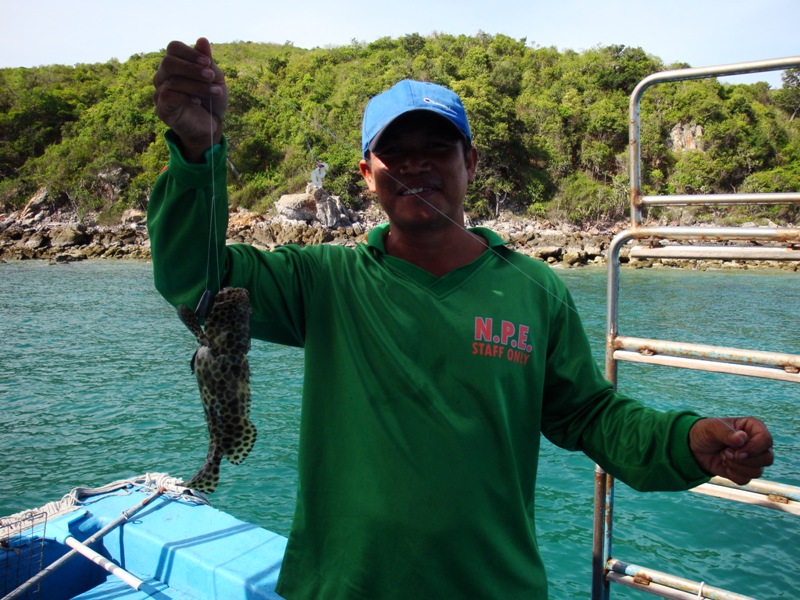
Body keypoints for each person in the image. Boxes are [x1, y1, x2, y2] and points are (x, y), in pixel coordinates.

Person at [149, 38, 775, 599]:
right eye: (395, 151)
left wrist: (686, 442)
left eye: (436, 148)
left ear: (470, 163)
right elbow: (194, 279)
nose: (417, 164)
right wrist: (198, 152)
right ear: (368, 176)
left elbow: (589, 414)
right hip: (339, 586)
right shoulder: (323, 281)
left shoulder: (534, 289)